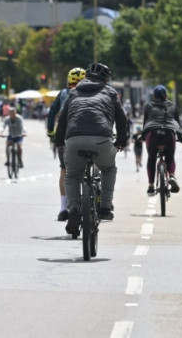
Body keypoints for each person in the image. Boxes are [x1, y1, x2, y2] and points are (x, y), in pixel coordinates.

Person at [53, 62, 129, 234]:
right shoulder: (110, 92)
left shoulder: (73, 92)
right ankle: (105, 207)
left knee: (72, 176)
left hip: (74, 140)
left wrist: (59, 142)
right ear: (106, 79)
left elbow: (62, 120)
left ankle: (72, 211)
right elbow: (122, 118)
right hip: (102, 139)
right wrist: (121, 141)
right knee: (108, 169)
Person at [46, 67, 86, 221]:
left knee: (64, 171)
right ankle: (97, 197)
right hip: (87, 134)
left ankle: (63, 208)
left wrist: (51, 133)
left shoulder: (63, 93)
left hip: (65, 137)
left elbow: (51, 114)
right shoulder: (92, 93)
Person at [142, 84, 182, 195]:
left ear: (154, 96)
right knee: (170, 158)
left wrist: (142, 136)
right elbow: (177, 124)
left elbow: (146, 123)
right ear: (166, 95)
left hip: (153, 136)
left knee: (151, 159)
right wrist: (180, 137)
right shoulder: (172, 106)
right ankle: (172, 175)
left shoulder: (149, 106)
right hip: (168, 135)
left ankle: (151, 186)